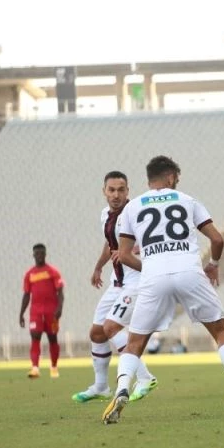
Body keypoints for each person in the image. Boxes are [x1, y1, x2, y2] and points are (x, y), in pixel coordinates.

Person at [101, 155, 224, 424]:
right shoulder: (187, 200)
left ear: (149, 179)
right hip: (190, 272)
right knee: (221, 331)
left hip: (153, 277)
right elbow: (217, 239)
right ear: (171, 176)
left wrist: (151, 269)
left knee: (135, 343)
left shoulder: (132, 207)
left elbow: (124, 255)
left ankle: (122, 390)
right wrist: (213, 265)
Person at [73, 171, 158, 404]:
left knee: (111, 328)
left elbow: (153, 238)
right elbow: (109, 242)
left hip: (136, 281)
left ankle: (145, 377)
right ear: (104, 192)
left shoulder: (136, 214)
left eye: (121, 190)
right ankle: (101, 386)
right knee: (97, 333)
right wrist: (98, 267)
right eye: (111, 190)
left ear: (128, 191)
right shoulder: (105, 215)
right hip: (117, 282)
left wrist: (136, 250)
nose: (116, 195)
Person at [19, 244, 64, 379]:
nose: (39, 255)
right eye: (37, 253)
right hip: (36, 313)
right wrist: (21, 314)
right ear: (33, 255)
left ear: (45, 254)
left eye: (41, 253)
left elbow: (60, 292)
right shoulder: (29, 274)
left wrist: (59, 308)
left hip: (51, 312)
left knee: (52, 338)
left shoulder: (53, 272)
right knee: (35, 336)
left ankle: (54, 367)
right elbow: (26, 295)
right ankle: (35, 368)